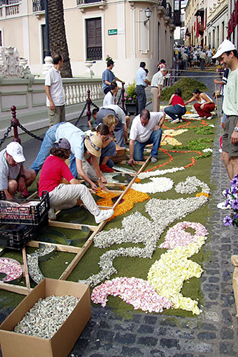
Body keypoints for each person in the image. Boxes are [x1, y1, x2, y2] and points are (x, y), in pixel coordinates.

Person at [38, 138, 114, 222]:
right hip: (52, 194)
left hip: (44, 198)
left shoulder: (48, 159)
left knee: (73, 202)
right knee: (82, 189)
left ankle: (51, 209)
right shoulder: (61, 164)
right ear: (65, 154)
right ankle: (98, 214)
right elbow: (73, 182)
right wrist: (86, 190)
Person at [30, 122, 107, 192]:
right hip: (55, 131)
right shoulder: (78, 147)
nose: (91, 154)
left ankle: (73, 187)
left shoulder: (91, 141)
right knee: (40, 161)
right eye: (91, 152)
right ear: (87, 147)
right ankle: (25, 183)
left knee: (73, 167)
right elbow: (80, 170)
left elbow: (95, 164)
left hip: (68, 132)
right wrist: (90, 183)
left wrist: (99, 179)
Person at [212, 40, 238, 208]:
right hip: (229, 119)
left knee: (234, 159)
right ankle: (233, 190)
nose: (221, 62)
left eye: (222, 58)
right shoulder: (230, 72)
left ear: (231, 54)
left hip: (235, 120)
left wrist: (236, 128)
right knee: (225, 157)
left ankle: (235, 198)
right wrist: (223, 118)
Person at [45, 54, 65, 126]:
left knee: (61, 125)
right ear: (59, 62)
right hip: (54, 104)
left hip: (60, 103)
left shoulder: (58, 73)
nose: (63, 63)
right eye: (62, 61)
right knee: (54, 125)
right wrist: (51, 102)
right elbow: (47, 87)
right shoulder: (51, 72)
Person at [214, 65, 229, 130]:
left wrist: (216, 82)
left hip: (226, 92)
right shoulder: (226, 70)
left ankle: (223, 120)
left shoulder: (227, 70)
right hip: (224, 91)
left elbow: (224, 81)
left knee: (225, 106)